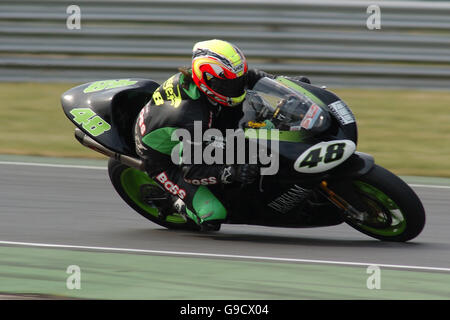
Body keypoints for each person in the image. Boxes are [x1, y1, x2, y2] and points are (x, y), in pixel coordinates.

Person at [134, 39, 310, 230]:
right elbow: (192, 170)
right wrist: (230, 171)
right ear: (208, 80)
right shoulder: (191, 115)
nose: (237, 86)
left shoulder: (223, 80)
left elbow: (259, 79)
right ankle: (176, 202)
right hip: (166, 158)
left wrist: (292, 88)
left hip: (194, 127)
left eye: (238, 80)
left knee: (259, 120)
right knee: (213, 214)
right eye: (229, 84)